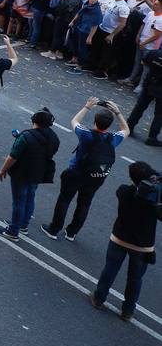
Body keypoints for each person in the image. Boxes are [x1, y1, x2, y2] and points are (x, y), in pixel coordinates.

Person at [43, 98, 129, 241]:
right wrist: (118, 113)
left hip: (76, 173)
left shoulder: (86, 134)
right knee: (84, 203)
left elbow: (74, 121)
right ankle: (71, 232)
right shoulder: (112, 139)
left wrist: (87, 107)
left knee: (64, 200)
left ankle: (54, 229)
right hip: (95, 177)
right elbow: (126, 130)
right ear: (110, 125)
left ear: (95, 121)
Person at [91, 161, 162, 322]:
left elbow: (129, 189)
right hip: (142, 246)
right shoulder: (153, 200)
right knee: (135, 278)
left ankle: (99, 298)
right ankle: (128, 311)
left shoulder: (123, 191)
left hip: (119, 239)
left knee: (110, 269)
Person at [0, 108, 59, 241]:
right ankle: (23, 225)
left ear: (34, 120)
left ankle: (13, 231)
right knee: (30, 197)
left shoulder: (25, 137)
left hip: (21, 174)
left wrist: (3, 170)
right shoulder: (54, 137)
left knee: (19, 201)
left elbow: (12, 157)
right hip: (38, 173)